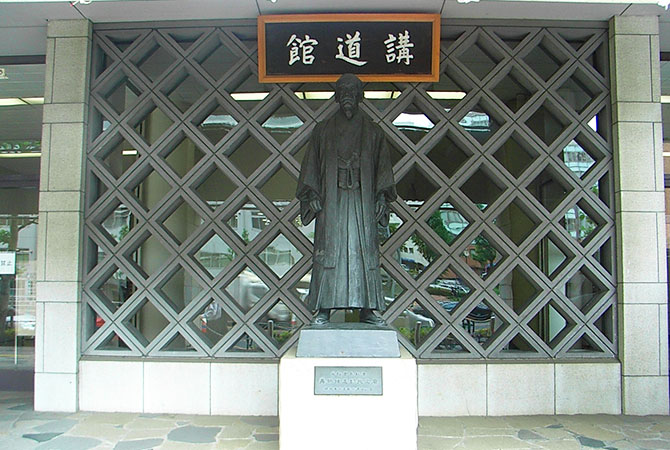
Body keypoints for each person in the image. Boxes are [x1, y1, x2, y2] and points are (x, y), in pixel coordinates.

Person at [296, 74, 396, 326]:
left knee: (364, 251)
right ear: (337, 96)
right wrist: (313, 195)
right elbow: (310, 167)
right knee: (331, 250)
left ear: (360, 96)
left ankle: (368, 309)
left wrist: (382, 195)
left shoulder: (373, 131)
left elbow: (382, 167)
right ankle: (323, 308)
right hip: (332, 198)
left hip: (362, 199)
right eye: (343, 92)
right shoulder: (323, 131)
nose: (347, 96)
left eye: (352, 91)